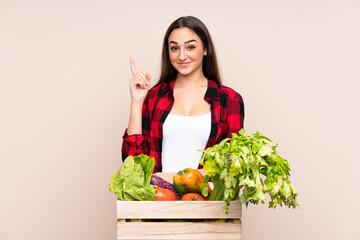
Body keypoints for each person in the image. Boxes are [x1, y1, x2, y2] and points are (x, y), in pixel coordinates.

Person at [122, 16, 244, 174]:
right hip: (159, 196)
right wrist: (137, 102)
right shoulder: (154, 97)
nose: (181, 56)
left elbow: (231, 167)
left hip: (206, 198)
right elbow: (132, 162)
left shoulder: (229, 99)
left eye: (190, 47)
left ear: (205, 49)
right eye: (174, 48)